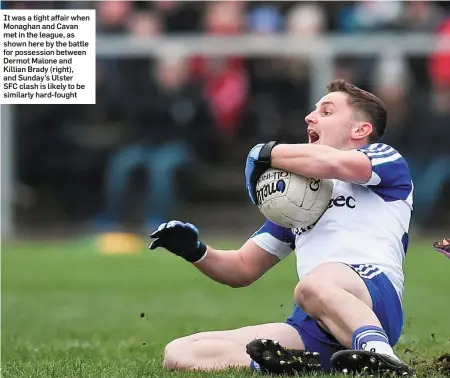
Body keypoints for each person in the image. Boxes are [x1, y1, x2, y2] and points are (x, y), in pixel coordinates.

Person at [149, 79, 416, 376]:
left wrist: (265, 154)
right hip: (314, 319)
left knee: (314, 284)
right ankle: (295, 366)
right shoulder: (300, 199)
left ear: (360, 130)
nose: (309, 117)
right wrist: (196, 251)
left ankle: (382, 357)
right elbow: (241, 268)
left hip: (372, 299)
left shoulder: (386, 159)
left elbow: (337, 164)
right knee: (180, 352)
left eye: (326, 112)